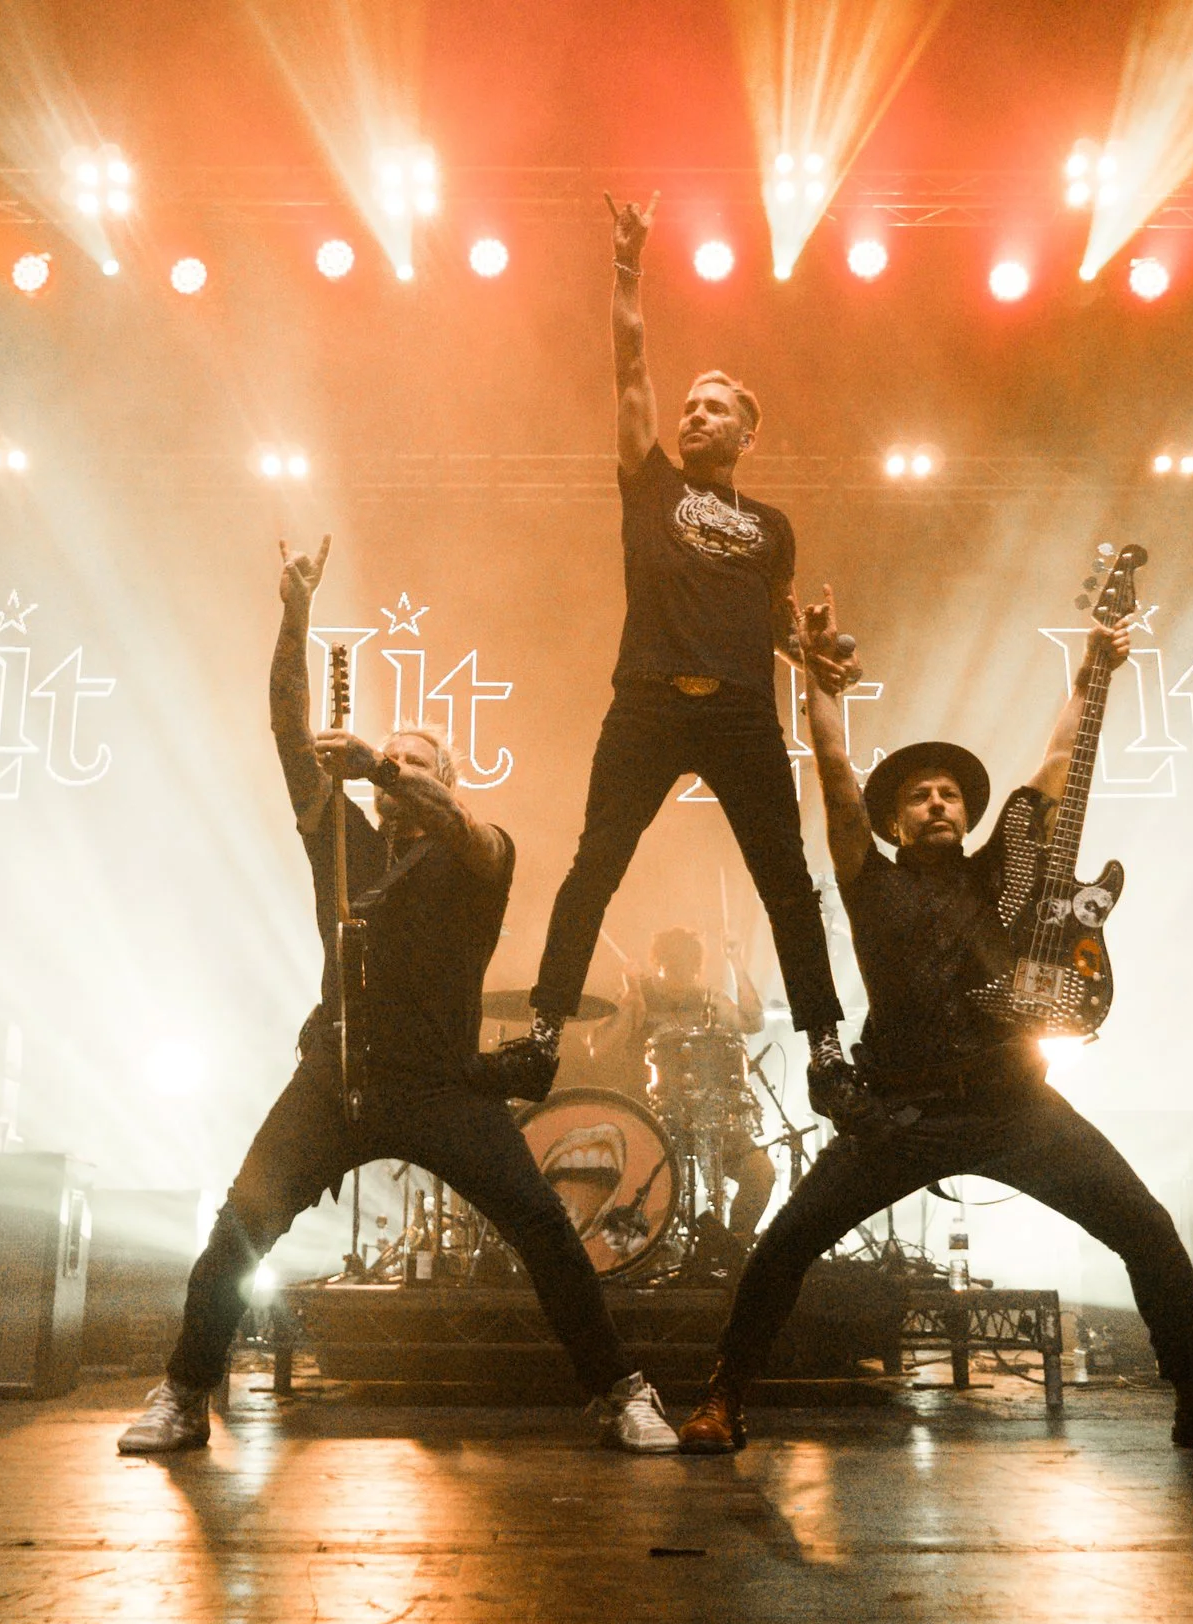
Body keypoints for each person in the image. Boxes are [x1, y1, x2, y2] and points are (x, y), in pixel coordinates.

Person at [674, 588, 1193, 1456]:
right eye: (918, 795)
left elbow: (1059, 761)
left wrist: (1090, 672)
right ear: (893, 819)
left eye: (950, 792)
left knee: (1149, 1231)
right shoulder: (870, 879)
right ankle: (723, 1400)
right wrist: (818, 686)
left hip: (1014, 1108)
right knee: (783, 1249)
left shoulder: (1005, 874)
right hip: (900, 1112)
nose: (937, 803)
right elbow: (835, 776)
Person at [118, 537, 681, 1457]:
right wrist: (296, 615)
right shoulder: (343, 839)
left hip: (442, 1086)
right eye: (395, 766)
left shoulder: (476, 854)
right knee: (240, 1225)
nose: (401, 774)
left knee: (542, 1226)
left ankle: (620, 1390)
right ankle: (183, 1391)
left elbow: (477, 835)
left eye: (422, 764)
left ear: (444, 783)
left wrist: (382, 760)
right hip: (335, 1075)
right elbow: (284, 727)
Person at [489, 193, 867, 1133]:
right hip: (650, 701)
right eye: (689, 405)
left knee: (789, 884)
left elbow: (775, 624)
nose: (694, 415)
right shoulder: (649, 482)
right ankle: (541, 1030)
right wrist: (628, 267)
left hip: (740, 710)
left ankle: (826, 1049)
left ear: (746, 433)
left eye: (714, 408)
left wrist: (812, 648)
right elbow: (626, 364)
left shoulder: (772, 527)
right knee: (595, 866)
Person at [582, 926, 777, 1239]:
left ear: (696, 969)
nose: (678, 981)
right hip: (651, 1119)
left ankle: (733, 1250)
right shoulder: (639, 994)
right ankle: (656, 1257)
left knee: (760, 1174)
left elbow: (752, 1021)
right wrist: (631, 995)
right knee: (648, 1197)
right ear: (657, 965)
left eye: (686, 972)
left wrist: (736, 963)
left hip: (712, 1116)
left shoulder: (709, 998)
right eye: (671, 970)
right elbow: (599, 1048)